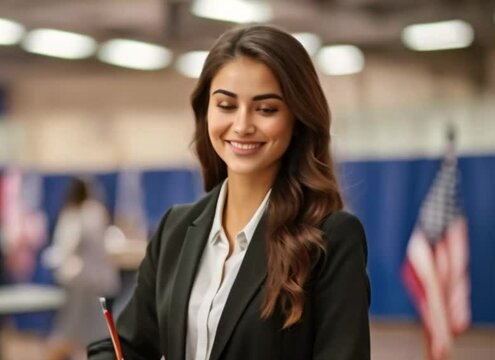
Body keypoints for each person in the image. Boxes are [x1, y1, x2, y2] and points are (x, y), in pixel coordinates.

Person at [87, 24, 370, 360]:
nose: (242, 125)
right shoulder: (175, 229)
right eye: (226, 105)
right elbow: (124, 344)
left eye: (266, 109)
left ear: (298, 119)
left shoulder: (332, 238)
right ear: (205, 111)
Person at [44, 178, 121, 360]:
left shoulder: (74, 215)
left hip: (81, 284)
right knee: (97, 335)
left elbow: (66, 246)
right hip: (100, 283)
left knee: (68, 333)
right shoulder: (98, 211)